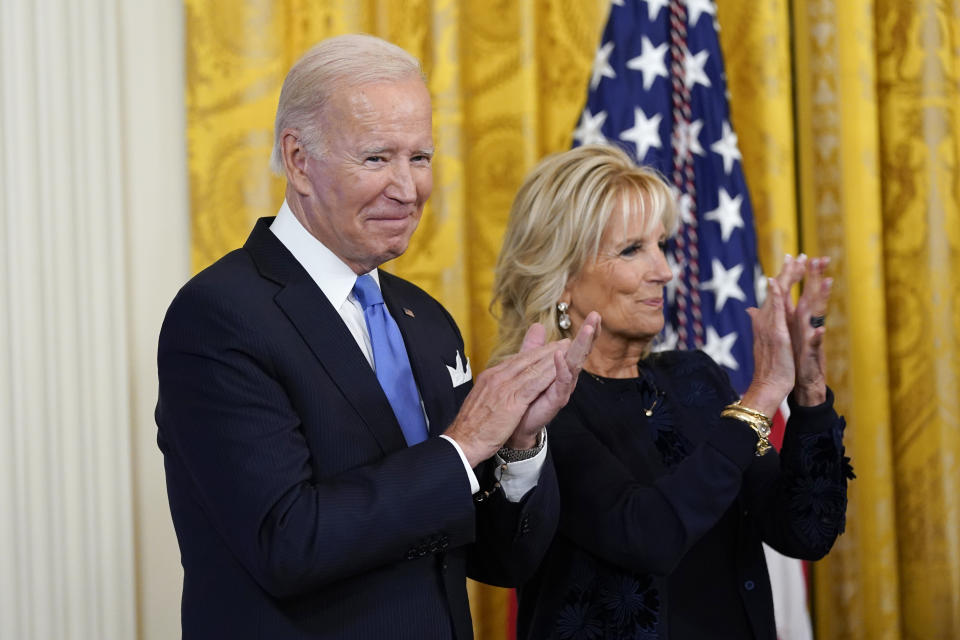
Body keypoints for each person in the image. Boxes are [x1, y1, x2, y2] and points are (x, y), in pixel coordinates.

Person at [155, 35, 599, 640]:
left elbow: (499, 560)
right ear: (299, 160)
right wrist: (464, 444)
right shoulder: (219, 315)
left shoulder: (426, 318)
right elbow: (287, 542)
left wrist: (519, 445)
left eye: (419, 158)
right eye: (376, 159)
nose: (408, 188)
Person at [490, 144, 854, 639]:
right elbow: (648, 536)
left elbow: (805, 531)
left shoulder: (695, 378)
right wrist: (763, 392)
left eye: (662, 245)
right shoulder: (535, 409)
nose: (664, 270)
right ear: (562, 278)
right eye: (632, 249)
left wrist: (808, 392)